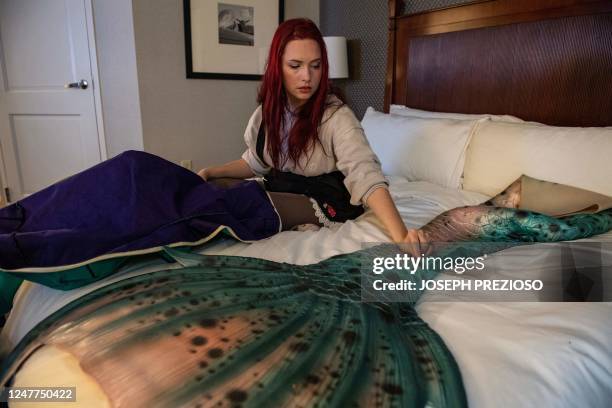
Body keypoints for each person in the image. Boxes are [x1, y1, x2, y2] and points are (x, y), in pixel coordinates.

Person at [198, 18, 416, 245]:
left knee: (242, 202)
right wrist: (212, 172)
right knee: (210, 189)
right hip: (283, 188)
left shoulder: (336, 116)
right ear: (278, 67)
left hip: (324, 198)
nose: (307, 76)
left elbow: (365, 173)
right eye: (295, 66)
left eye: (315, 65)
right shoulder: (268, 113)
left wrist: (401, 234)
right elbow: (255, 161)